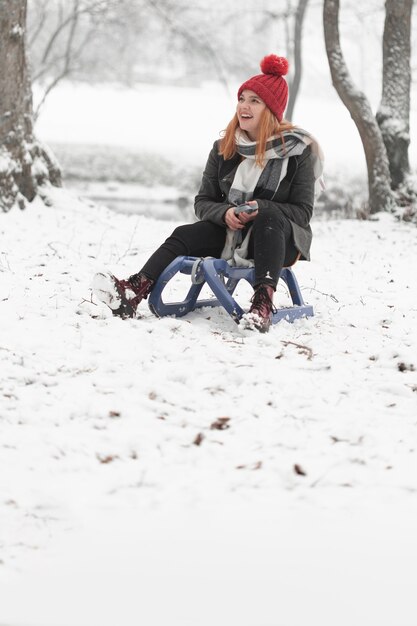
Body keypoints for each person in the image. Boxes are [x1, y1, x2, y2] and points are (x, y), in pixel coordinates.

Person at [92, 54, 324, 332]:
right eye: (242, 98)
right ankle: (134, 291)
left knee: (269, 219)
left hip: (278, 241)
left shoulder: (297, 153)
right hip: (231, 232)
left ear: (271, 110)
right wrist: (225, 213)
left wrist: (263, 207)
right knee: (184, 233)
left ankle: (262, 305)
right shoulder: (223, 147)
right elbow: (202, 202)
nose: (244, 106)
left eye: (254, 101)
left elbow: (302, 213)